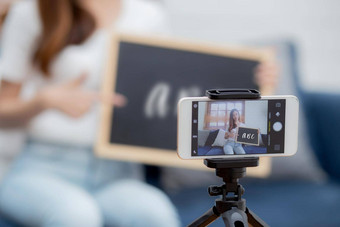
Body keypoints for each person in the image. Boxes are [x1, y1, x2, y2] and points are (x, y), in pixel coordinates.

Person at [0, 0, 180, 226]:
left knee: (156, 214)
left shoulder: (148, 16)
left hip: (118, 172)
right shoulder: (33, 11)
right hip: (42, 166)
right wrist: (42, 101)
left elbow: (165, 95)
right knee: (76, 215)